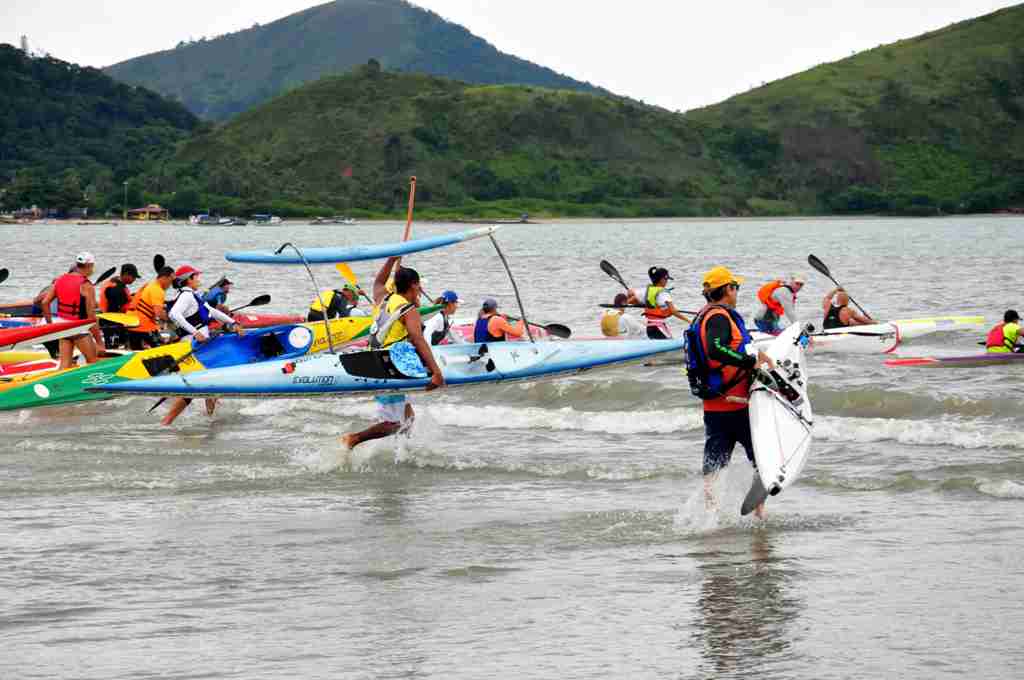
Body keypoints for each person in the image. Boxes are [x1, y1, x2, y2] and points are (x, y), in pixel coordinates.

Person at [688, 266, 774, 518]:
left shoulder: (705, 315)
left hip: (716, 405)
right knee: (763, 460)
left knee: (714, 466)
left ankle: (709, 519)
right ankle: (759, 516)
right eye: (735, 287)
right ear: (727, 289)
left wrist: (757, 355)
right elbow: (716, 349)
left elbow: (732, 348)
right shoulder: (718, 317)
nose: (737, 292)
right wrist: (750, 363)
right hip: (737, 405)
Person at [341, 259, 444, 449]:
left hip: (373, 360)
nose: (420, 289)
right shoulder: (408, 310)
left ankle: (403, 454)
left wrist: (392, 259)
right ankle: (353, 439)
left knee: (409, 418)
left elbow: (378, 282)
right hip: (388, 368)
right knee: (394, 424)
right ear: (414, 285)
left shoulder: (383, 298)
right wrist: (436, 372)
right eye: (419, 285)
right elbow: (417, 339)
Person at [161, 265, 244, 426]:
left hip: (200, 346)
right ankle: (166, 422)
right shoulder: (186, 295)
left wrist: (233, 323)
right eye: (196, 277)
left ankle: (211, 418)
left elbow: (213, 312)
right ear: (189, 279)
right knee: (194, 388)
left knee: (209, 382)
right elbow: (174, 314)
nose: (198, 280)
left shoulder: (194, 295)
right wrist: (194, 332)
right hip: (191, 345)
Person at [41, 252, 103, 369]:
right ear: (89, 266)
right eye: (93, 266)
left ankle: (57, 386)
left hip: (63, 327)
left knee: (64, 365)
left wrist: (50, 326)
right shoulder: (86, 285)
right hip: (78, 329)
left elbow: (45, 303)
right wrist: (100, 342)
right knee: (93, 363)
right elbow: (92, 316)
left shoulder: (60, 279)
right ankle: (94, 386)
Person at [627, 266, 690, 339]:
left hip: (649, 327)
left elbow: (629, 299)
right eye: (666, 279)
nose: (667, 281)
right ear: (662, 279)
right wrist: (689, 321)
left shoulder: (646, 290)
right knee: (671, 344)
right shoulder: (663, 293)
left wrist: (644, 303)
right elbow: (674, 311)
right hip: (658, 327)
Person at [127, 266, 174, 350]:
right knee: (161, 348)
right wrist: (171, 320)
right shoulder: (158, 290)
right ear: (164, 278)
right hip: (143, 325)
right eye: (171, 281)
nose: (170, 285)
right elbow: (158, 313)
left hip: (130, 323)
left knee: (137, 350)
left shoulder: (149, 285)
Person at [97, 263, 141, 349]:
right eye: (133, 277)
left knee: (120, 343)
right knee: (113, 347)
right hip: (111, 322)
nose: (134, 279)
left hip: (108, 320)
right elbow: (123, 308)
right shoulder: (117, 289)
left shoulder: (114, 282)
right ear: (126, 275)